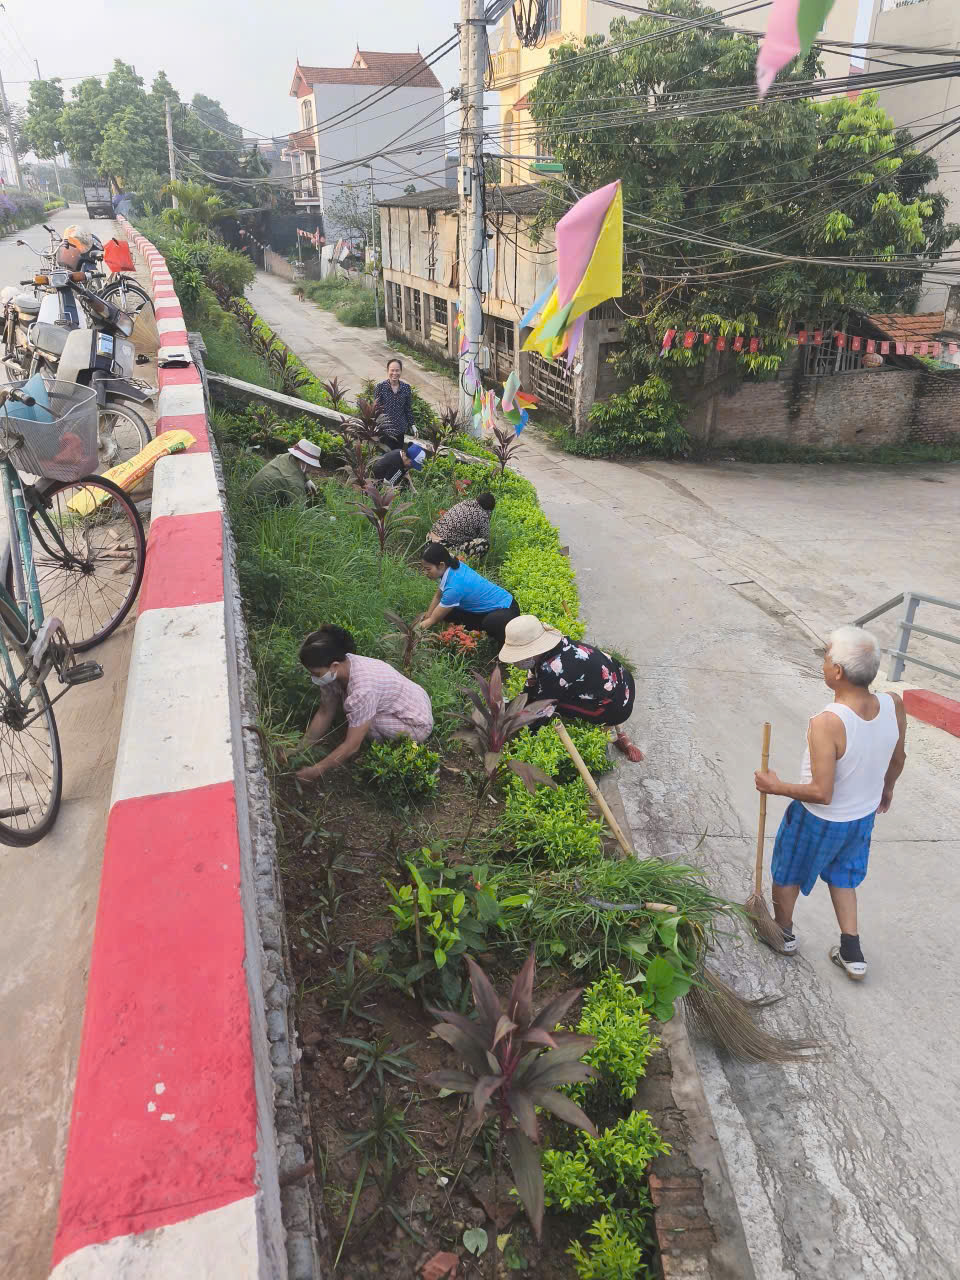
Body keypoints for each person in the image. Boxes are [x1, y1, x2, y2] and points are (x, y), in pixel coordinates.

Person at [754, 625, 907, 981]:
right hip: (862, 818)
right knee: (844, 876)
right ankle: (852, 953)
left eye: (826, 656)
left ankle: (783, 932)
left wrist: (774, 786)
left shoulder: (827, 722)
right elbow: (899, 757)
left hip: (818, 819)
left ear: (837, 672)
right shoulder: (893, 705)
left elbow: (822, 792)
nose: (823, 662)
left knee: (787, 872)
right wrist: (887, 788)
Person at [292, 625, 433, 782]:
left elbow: (352, 745)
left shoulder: (362, 689)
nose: (313, 677)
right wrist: (300, 749)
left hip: (416, 721)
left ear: (334, 666)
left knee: (367, 722)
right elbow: (325, 711)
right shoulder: (339, 668)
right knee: (359, 716)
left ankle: (380, 755)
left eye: (316, 673)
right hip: (410, 699)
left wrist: (316, 770)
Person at [499, 614, 645, 761]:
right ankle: (613, 729)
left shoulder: (555, 670)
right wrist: (519, 702)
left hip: (615, 706)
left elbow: (542, 710)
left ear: (533, 651)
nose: (517, 662)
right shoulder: (558, 646)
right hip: (622, 682)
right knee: (542, 694)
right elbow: (533, 682)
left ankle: (611, 729)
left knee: (556, 705)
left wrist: (517, 738)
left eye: (520, 656)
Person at [417, 543, 519, 645]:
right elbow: (438, 596)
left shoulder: (454, 587)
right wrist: (428, 615)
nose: (425, 572)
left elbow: (433, 620)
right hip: (487, 608)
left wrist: (413, 630)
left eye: (428, 569)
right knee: (446, 612)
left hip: (506, 609)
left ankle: (505, 646)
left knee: (491, 623)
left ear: (441, 565)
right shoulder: (452, 564)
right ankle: (478, 630)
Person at [247, 439, 324, 506]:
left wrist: (307, 480)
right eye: (311, 464)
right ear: (304, 462)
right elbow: (300, 511)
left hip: (249, 495)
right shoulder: (294, 482)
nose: (312, 469)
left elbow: (301, 468)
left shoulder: (287, 457)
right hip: (258, 509)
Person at [427, 492, 496, 559]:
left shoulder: (463, 504)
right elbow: (484, 537)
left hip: (429, 540)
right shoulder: (483, 515)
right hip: (442, 548)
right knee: (484, 544)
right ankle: (459, 562)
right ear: (489, 509)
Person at [374, 357, 415, 450]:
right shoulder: (380, 387)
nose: (395, 373)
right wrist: (376, 426)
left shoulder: (406, 388)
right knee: (386, 457)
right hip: (385, 431)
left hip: (400, 430)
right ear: (388, 371)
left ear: (401, 371)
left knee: (397, 456)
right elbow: (376, 409)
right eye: (392, 370)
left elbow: (408, 409)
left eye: (397, 370)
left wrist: (412, 425)